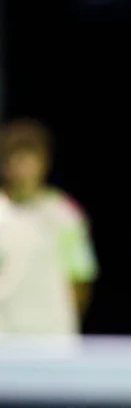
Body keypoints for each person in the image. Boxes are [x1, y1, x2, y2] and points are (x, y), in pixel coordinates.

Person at [0, 117, 98, 336]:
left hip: (52, 338)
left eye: (31, 158)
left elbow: (80, 278)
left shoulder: (64, 215)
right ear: (5, 164)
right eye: (16, 158)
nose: (24, 167)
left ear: (44, 162)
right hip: (5, 338)